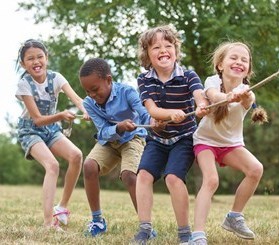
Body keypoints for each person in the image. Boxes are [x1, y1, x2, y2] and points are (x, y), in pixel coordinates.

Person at [132, 25, 209, 245]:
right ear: (147, 54)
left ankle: (184, 233)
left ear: (175, 50)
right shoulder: (144, 79)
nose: (163, 50)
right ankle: (144, 229)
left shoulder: (188, 75)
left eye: (168, 45)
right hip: (157, 140)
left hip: (184, 138)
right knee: (143, 176)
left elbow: (199, 95)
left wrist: (202, 104)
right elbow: (153, 110)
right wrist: (170, 113)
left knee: (174, 178)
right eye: (156, 47)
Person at [190, 41, 268, 244]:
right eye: (233, 57)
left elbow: (247, 100)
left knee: (255, 169)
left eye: (244, 60)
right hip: (205, 141)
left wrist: (241, 97)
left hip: (231, 144)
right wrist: (227, 96)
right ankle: (197, 235)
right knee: (211, 180)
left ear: (248, 69)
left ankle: (234, 217)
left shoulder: (248, 91)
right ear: (220, 65)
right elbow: (214, 95)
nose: (239, 62)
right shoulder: (211, 82)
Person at [78, 57, 157, 237]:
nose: (92, 94)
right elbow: (103, 131)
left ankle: (146, 227)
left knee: (129, 175)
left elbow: (143, 112)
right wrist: (118, 127)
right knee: (89, 166)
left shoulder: (127, 92)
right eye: (87, 91)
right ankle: (97, 221)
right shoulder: (88, 103)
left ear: (108, 80)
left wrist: (153, 122)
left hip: (133, 138)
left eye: (95, 89)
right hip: (109, 141)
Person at [15, 39, 89, 231]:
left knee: (76, 156)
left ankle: (62, 207)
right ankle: (48, 223)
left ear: (47, 58)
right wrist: (62, 114)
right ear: (24, 64)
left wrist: (87, 111)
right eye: (30, 59)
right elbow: (38, 119)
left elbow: (77, 99)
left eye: (40, 57)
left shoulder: (56, 78)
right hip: (30, 129)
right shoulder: (24, 84)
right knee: (52, 165)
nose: (36, 61)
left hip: (51, 129)